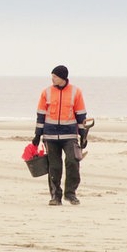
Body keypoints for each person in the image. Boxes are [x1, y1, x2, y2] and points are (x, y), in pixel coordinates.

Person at [32, 65, 87, 206]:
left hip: (69, 136)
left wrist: (83, 135)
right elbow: (41, 115)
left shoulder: (76, 92)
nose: (52, 79)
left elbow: (81, 116)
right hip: (50, 136)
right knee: (54, 167)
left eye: (55, 76)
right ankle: (55, 196)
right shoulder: (46, 92)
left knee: (72, 162)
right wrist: (37, 135)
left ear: (62, 77)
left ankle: (70, 194)